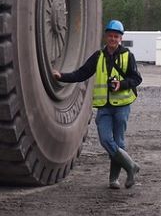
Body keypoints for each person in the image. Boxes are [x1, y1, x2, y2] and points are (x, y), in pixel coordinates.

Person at [52, 19, 143, 189]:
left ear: (120, 38)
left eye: (116, 36)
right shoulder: (98, 56)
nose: (113, 39)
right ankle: (131, 166)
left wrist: (121, 84)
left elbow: (137, 78)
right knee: (106, 140)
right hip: (105, 107)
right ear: (106, 37)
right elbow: (81, 74)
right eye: (110, 36)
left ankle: (113, 179)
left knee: (119, 142)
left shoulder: (127, 56)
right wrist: (62, 76)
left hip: (122, 106)